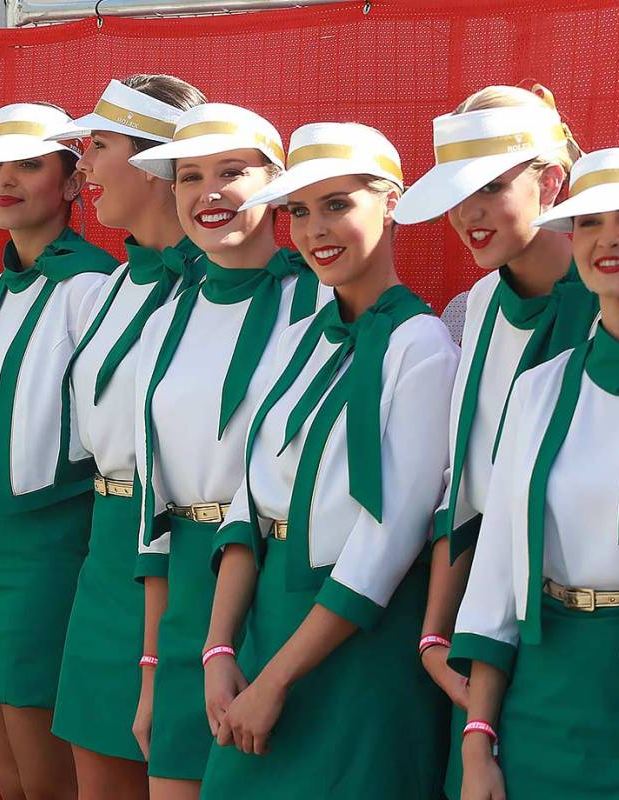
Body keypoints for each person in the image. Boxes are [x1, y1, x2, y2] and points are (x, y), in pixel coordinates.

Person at [199, 122, 457, 798]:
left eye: (337, 204)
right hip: (270, 625)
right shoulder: (299, 335)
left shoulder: (422, 345)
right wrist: (220, 649)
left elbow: (389, 537)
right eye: (298, 212)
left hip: (358, 645)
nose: (315, 230)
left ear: (392, 201)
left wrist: (276, 680)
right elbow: (248, 500)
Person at [453, 147, 619, 800]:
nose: (609, 238)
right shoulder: (539, 391)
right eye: (588, 222)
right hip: (545, 700)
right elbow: (496, 576)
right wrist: (477, 747)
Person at [392, 84, 596, 797]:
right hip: (486, 636)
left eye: (490, 188)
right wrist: (434, 633)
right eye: (456, 195)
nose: (469, 216)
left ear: (552, 181)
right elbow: (467, 489)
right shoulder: (467, 309)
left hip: (605, 631)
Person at [126, 103, 327, 799]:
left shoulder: (322, 303)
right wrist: (154, 666)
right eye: (189, 177)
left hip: (278, 585)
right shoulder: (166, 312)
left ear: (276, 184)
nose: (208, 193)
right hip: (187, 592)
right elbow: (152, 511)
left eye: (232, 172)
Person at [0, 101, 119, 800]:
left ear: (75, 183)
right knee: (4, 774)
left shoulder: (93, 283)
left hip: (48, 541)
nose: (4, 180)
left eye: (29, 164)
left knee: (45, 775)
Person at [48, 75, 207, 800]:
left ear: (154, 165)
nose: (82, 169)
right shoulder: (111, 286)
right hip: (105, 550)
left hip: (182, 554)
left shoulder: (221, 288)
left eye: (98, 148)